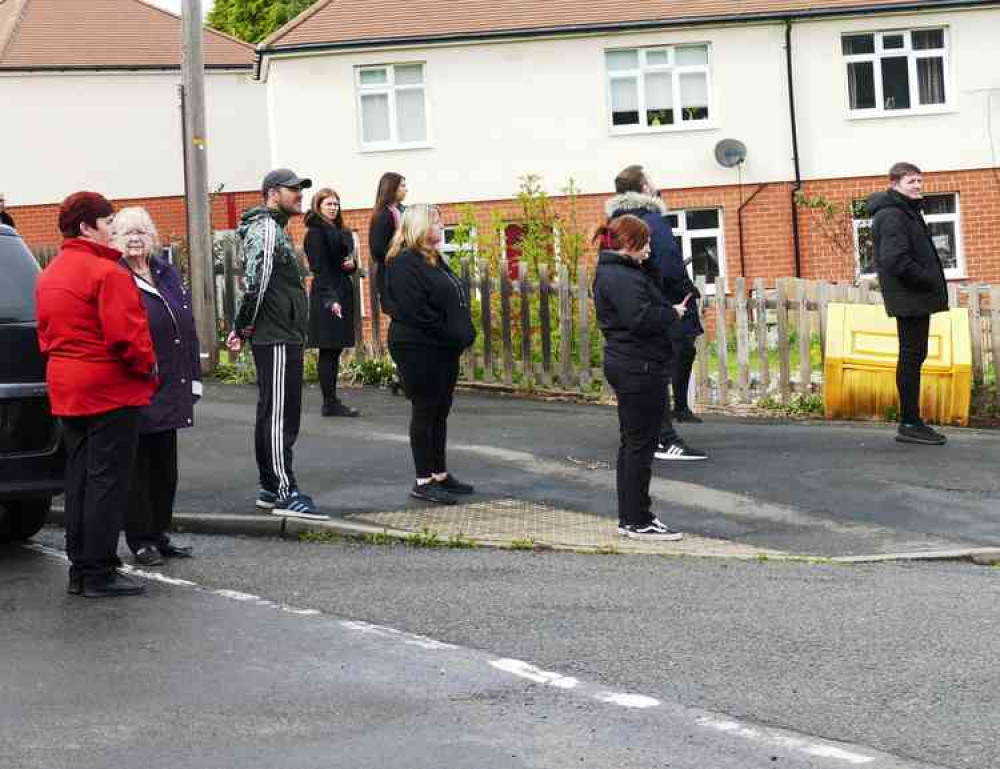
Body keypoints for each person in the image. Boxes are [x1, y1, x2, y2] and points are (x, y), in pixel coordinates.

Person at [36, 192, 157, 597]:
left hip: (67, 385)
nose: (113, 232)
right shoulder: (107, 273)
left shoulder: (49, 272)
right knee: (108, 480)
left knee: (80, 477)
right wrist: (147, 370)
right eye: (108, 223)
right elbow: (128, 338)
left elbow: (46, 333)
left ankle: (80, 567)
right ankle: (100, 570)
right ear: (87, 227)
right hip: (108, 388)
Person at [226, 169, 328, 520]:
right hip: (276, 334)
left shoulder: (275, 227)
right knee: (279, 416)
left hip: (282, 333)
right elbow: (257, 279)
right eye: (293, 189)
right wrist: (242, 325)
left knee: (276, 411)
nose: (299, 194)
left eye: (300, 189)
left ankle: (271, 488)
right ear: (272, 194)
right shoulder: (267, 229)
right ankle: (283, 491)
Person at [112, 207, 201, 566]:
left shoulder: (165, 272)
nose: (136, 238)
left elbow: (187, 325)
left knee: (166, 466)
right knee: (138, 468)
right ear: (115, 240)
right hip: (138, 384)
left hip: (172, 381)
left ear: (153, 238)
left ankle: (160, 533)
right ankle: (141, 539)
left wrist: (194, 376)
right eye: (127, 232)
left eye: (142, 232)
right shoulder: (116, 277)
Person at [593, 215, 687, 541]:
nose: (649, 249)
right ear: (629, 244)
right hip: (638, 367)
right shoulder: (620, 276)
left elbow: (643, 302)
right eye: (644, 243)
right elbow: (640, 318)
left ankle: (632, 516)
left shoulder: (622, 272)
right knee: (639, 446)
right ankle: (637, 519)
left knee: (633, 444)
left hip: (633, 364)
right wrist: (672, 314)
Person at [605, 164, 707, 460]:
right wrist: (688, 292)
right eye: (651, 180)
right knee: (659, 367)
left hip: (625, 306)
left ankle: (642, 436)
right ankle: (664, 438)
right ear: (644, 188)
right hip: (658, 303)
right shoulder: (651, 220)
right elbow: (669, 262)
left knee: (634, 368)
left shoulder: (613, 222)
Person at [384, 204, 475, 505]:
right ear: (421, 226)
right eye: (436, 221)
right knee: (425, 409)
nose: (441, 225)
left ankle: (439, 473)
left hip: (442, 347)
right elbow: (416, 311)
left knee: (440, 410)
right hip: (418, 346)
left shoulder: (434, 258)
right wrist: (452, 334)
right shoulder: (403, 262)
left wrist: (463, 332)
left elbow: (451, 298)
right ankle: (423, 480)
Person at [869, 162, 949, 445]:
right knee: (911, 357)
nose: (918, 186)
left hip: (914, 296)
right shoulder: (892, 215)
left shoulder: (905, 211)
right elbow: (895, 259)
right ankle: (910, 422)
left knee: (914, 356)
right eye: (911, 181)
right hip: (910, 296)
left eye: (919, 181)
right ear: (894, 184)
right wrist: (926, 278)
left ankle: (911, 421)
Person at [304, 188, 360, 417]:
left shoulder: (339, 231)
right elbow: (319, 269)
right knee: (328, 349)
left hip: (341, 290)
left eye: (336, 204)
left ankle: (332, 401)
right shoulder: (316, 233)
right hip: (328, 295)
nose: (333, 207)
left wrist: (352, 265)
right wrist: (331, 299)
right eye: (328, 204)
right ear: (318, 206)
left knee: (334, 349)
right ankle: (330, 402)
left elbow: (345, 262)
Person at [368, 172, 407, 312]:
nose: (406, 189)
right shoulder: (383, 215)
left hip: (406, 273)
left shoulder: (403, 211)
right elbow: (377, 249)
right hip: (392, 276)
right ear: (392, 188)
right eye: (402, 186)